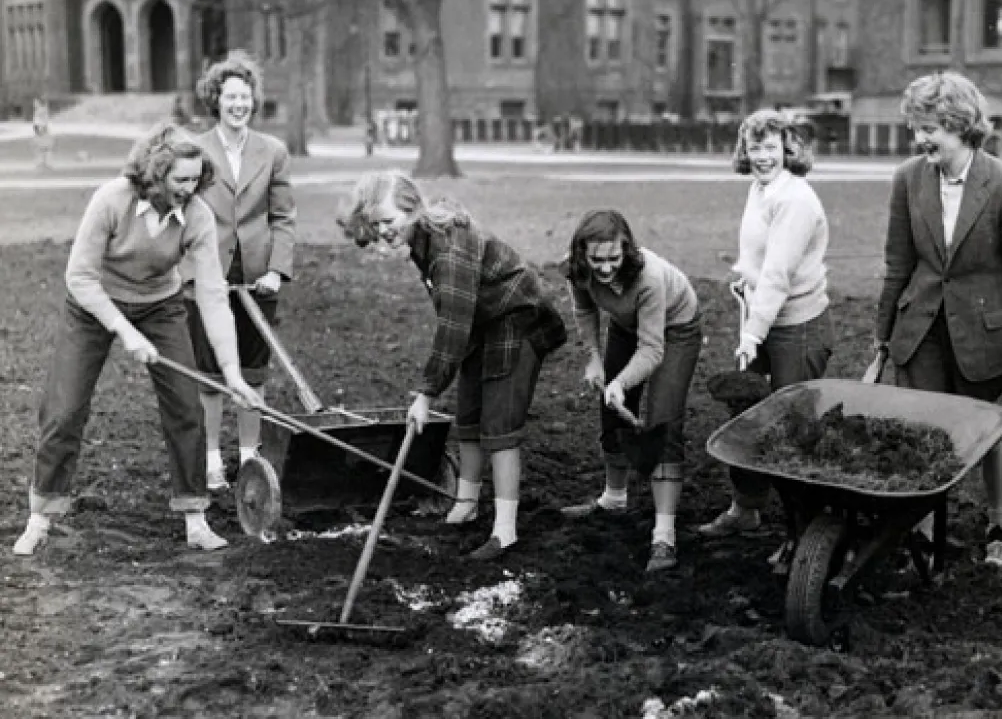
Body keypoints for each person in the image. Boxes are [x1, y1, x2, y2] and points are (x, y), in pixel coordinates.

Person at [13, 123, 262, 556]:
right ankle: (40, 516)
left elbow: (212, 294)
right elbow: (79, 277)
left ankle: (195, 517)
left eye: (195, 178)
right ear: (155, 174)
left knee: (186, 407)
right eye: (180, 179)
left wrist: (232, 373)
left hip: (160, 305)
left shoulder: (198, 216)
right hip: (92, 304)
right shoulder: (112, 200)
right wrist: (125, 331)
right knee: (64, 408)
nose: (189, 187)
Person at [873, 71, 1002, 570]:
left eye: (930, 127)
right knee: (921, 430)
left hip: (984, 332)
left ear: (960, 124)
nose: (920, 138)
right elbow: (897, 265)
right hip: (921, 328)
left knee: (988, 431)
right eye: (917, 126)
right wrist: (882, 336)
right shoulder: (908, 179)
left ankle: (998, 527)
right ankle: (923, 539)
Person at [338, 171, 567, 561]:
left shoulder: (447, 252)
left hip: (516, 321)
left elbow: (453, 326)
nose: (384, 231)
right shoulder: (421, 235)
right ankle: (466, 503)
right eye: (376, 224)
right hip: (483, 322)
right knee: (469, 418)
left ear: (413, 210)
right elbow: (457, 318)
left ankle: (505, 530)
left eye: (390, 222)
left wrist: (426, 393)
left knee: (500, 427)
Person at [699, 109, 833, 543]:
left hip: (797, 326)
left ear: (788, 149)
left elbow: (777, 275)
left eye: (771, 147)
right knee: (746, 415)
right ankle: (746, 508)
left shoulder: (794, 199)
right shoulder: (760, 190)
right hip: (764, 318)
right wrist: (746, 286)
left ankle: (802, 533)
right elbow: (758, 263)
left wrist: (751, 334)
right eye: (754, 147)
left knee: (793, 430)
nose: (762, 156)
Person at [559, 210, 703, 573]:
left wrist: (621, 382)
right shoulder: (575, 270)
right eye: (596, 260)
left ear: (626, 250)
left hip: (676, 329)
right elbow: (585, 311)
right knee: (610, 408)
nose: (605, 268)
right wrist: (595, 361)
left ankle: (664, 535)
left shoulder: (649, 278)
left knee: (662, 421)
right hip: (625, 325)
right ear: (581, 255)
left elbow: (653, 349)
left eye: (613, 258)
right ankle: (614, 498)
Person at [185, 51, 296, 490]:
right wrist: (193, 274)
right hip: (209, 275)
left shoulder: (273, 152)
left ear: (254, 100)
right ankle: (212, 459)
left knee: (252, 371)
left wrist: (276, 270)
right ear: (216, 99)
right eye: (230, 96)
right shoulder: (195, 150)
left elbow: (283, 218)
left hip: (257, 277)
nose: (238, 104)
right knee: (210, 374)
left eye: (245, 97)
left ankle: (250, 458)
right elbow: (182, 212)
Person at [32, 97, 53, 172]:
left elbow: (42, 123)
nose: (34, 104)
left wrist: (40, 131)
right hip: (40, 132)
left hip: (42, 132)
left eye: (35, 102)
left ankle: (45, 163)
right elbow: (36, 124)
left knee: (44, 149)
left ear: (39, 103)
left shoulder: (41, 111)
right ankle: (43, 163)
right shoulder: (40, 111)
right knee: (42, 149)